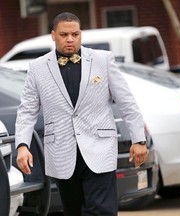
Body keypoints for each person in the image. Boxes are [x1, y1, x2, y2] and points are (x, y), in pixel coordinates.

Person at [15, 12, 147, 216]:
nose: (70, 39)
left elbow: (127, 102)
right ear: (53, 35)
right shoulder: (37, 67)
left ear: (80, 34)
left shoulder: (103, 60)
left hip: (100, 148)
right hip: (61, 152)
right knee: (73, 212)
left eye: (75, 34)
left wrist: (139, 139)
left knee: (102, 211)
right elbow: (27, 110)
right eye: (64, 34)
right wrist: (22, 145)